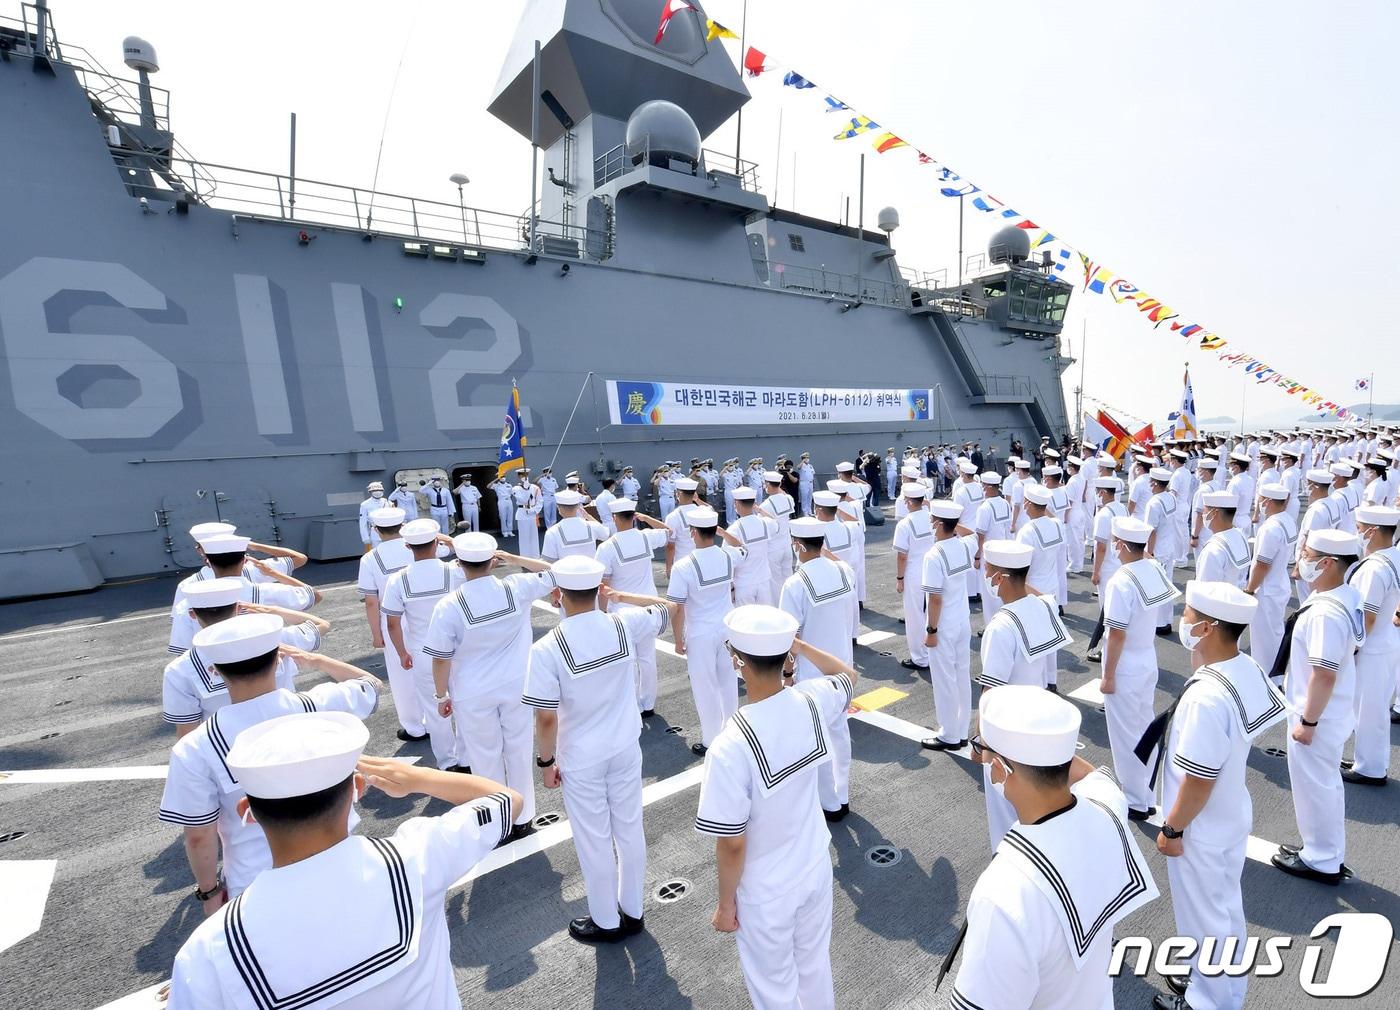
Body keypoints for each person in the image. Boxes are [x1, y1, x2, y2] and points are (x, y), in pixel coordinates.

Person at [166, 711, 521, 1010]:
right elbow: (507, 800)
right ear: (358, 789)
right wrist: (418, 778)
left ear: (248, 813)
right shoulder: (416, 857)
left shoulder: (209, 950)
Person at [950, 687, 1158, 1010]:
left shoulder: (1004, 896)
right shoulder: (1108, 807)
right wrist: (1047, 746)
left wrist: (1037, 745)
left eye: (983, 750)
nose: (982, 759)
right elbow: (1094, 776)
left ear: (1001, 769)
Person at [696, 606, 859, 1010]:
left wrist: (724, 905)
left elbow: (731, 843)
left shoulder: (729, 746)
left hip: (766, 891)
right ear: (787, 656)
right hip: (814, 868)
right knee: (815, 970)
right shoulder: (811, 700)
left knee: (775, 992)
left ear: (737, 662)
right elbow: (848, 676)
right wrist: (799, 646)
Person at [158, 614, 381, 907]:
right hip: (343, 864)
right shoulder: (320, 704)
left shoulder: (194, 748)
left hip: (256, 885)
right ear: (279, 660)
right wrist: (316, 661)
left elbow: (199, 836)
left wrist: (209, 893)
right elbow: (372, 684)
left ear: (214, 670)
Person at [1135, 581, 1287, 1010]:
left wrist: (1172, 827)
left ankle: (1210, 1001)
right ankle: (1220, 984)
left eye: (1187, 615)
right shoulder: (1243, 667)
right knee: (1223, 911)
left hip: (1201, 825)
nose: (1182, 621)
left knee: (1207, 918)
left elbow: (1198, 780)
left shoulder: (1206, 697)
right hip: (1228, 814)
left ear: (1206, 627)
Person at [524, 555, 674, 942]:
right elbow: (665, 609)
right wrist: (618, 597)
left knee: (594, 840)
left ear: (557, 594)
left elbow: (545, 717)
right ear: (597, 590)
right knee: (629, 830)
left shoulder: (547, 648)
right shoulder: (623, 623)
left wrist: (546, 762)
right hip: (624, 746)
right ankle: (634, 910)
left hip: (582, 756)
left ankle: (606, 920)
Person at [424, 533, 555, 837]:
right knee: (519, 750)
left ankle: (498, 823)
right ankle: (524, 816)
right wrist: (514, 559)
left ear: (458, 564)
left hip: (473, 692)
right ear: (493, 560)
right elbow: (552, 572)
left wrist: (440, 694)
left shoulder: (448, 605)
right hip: (516, 686)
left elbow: (440, 659)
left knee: (484, 757)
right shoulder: (516, 587)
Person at [1272, 529, 1365, 885]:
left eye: (1308, 554)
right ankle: (1320, 850)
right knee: (1322, 785)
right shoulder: (1345, 594)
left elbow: (1323, 674)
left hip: (1319, 714)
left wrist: (1308, 721)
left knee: (1317, 787)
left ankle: (1322, 859)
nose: (1302, 558)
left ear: (1327, 563)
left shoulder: (1326, 612)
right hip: (1333, 709)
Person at [977, 541, 1073, 847]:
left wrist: (982, 742)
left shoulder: (1001, 626)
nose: (985, 575)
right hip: (1039, 722)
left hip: (1008, 732)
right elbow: (1034, 594)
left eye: (989, 570)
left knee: (1006, 815)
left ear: (1001, 577)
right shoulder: (1042, 606)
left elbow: (990, 690)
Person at [162, 580, 331, 735]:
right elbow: (321, 624)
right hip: (287, 737)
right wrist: (273, 611)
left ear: (192, 614)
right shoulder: (275, 639)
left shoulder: (179, 670)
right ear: (237, 608)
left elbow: (186, 732)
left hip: (229, 751)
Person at [779, 517, 859, 820]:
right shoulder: (843, 571)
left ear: (798, 544)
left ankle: (829, 803)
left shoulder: (795, 583)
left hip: (812, 674)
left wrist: (787, 674)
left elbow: (790, 637)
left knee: (818, 737)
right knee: (839, 731)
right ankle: (842, 793)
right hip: (843, 668)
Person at [1101, 516, 1180, 820]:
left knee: (1126, 735)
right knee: (1143, 727)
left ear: (1120, 544)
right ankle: (1145, 793)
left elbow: (1116, 632)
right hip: (1147, 658)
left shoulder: (1121, 579)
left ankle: (1134, 799)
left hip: (1125, 665)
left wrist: (1108, 675)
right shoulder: (1153, 568)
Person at [380, 519, 462, 771]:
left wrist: (402, 652)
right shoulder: (455, 571)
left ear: (407, 546)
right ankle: (469, 758)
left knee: (435, 708)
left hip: (423, 652)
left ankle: (448, 762)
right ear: (437, 542)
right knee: (465, 705)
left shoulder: (398, 580)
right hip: (458, 650)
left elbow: (393, 623)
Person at [667, 508, 748, 755]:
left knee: (705, 688)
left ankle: (712, 739)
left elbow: (677, 608)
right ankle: (733, 731)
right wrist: (725, 533)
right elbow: (743, 547)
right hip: (727, 629)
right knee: (728, 681)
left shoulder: (683, 566)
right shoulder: (728, 556)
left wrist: (677, 639)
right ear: (714, 531)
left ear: (692, 532)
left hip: (700, 633)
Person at [169, 533, 318, 657]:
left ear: (203, 553)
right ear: (244, 559)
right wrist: (255, 548)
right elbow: (313, 594)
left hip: (214, 665)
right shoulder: (257, 578)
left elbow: (182, 644)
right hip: (264, 659)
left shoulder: (187, 588)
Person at [595, 500, 672, 717]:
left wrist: (601, 613)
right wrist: (646, 519)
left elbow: (604, 585)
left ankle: (631, 704)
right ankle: (648, 704)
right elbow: (669, 532)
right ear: (633, 515)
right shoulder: (646, 537)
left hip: (622, 613)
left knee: (627, 660)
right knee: (647, 658)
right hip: (649, 609)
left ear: (615, 518)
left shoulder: (607, 547)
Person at [1342, 506, 1400, 785]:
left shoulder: (1374, 567)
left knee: (1368, 710)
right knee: (1371, 709)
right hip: (1387, 642)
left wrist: (1349, 648)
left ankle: (1370, 768)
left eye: (1359, 526)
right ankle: (1366, 759)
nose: (1357, 532)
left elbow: (1366, 617)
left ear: (1372, 531)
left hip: (1373, 647)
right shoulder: (1393, 556)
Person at [919, 500, 978, 751]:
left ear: (939, 524)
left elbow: (935, 598)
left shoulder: (934, 555)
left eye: (933, 520)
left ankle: (949, 735)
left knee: (944, 681)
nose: (930, 524)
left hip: (943, 625)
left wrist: (931, 631)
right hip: (962, 622)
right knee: (961, 676)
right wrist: (953, 524)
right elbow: (972, 534)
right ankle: (961, 730)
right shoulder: (965, 546)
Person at [893, 483, 936, 672]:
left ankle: (919, 657)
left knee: (915, 616)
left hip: (914, 572)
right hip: (933, 568)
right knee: (932, 612)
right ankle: (933, 652)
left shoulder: (905, 523)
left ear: (909, 502)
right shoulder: (932, 517)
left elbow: (902, 555)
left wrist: (899, 578)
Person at [1085, 476, 1128, 663]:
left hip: (1108, 568)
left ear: (1102, 493)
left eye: (1097, 492)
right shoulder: (1122, 507)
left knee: (1107, 612)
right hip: (1121, 563)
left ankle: (1106, 649)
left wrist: (1095, 572)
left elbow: (1100, 547)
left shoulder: (1103, 514)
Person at [1016, 483, 1069, 633]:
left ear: (1027, 503)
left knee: (1035, 634)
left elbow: (1020, 568)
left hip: (1032, 589)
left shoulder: (1027, 531)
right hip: (1052, 586)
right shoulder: (1057, 525)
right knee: (1050, 631)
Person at [971, 472, 1013, 626]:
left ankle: (991, 625)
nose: (982, 489)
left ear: (988, 487)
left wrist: (976, 557)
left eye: (983, 486)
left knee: (989, 593)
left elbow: (980, 536)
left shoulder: (985, 508)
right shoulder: (1004, 503)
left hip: (989, 555)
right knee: (1003, 590)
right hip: (1005, 551)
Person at [1145, 467, 1182, 633]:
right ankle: (1166, 620)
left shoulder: (1154, 502)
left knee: (1156, 588)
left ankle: (1158, 623)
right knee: (1167, 585)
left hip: (1158, 549)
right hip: (1169, 546)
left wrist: (1149, 553)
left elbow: (1151, 531)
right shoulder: (1171, 497)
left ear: (1154, 483)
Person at [729, 487, 780, 606]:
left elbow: (729, 562)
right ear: (753, 503)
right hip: (764, 580)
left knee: (745, 622)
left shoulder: (733, 530)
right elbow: (776, 523)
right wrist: (760, 510)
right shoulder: (764, 522)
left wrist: (731, 589)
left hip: (743, 583)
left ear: (736, 503)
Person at [1194, 489, 1251, 589]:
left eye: (1205, 510)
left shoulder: (1212, 550)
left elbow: (1205, 591)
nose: (1203, 514)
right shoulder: (1240, 535)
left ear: (1214, 513)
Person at [540, 489, 609, 563]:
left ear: (558, 508)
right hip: (591, 572)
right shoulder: (591, 526)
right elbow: (605, 534)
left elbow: (549, 560)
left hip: (566, 573)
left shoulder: (552, 532)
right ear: (577, 507)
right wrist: (589, 517)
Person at [758, 470, 797, 594]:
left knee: (775, 582)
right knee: (788, 578)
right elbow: (784, 494)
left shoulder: (765, 505)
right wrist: (778, 487)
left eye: (765, 484)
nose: (764, 487)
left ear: (768, 485)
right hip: (786, 545)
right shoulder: (788, 499)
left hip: (773, 548)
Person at [664, 476, 704, 577]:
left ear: (679, 494)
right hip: (702, 561)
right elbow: (710, 508)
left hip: (683, 564)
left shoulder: (672, 517)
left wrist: (668, 568)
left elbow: (670, 547)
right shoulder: (703, 511)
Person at [512, 471, 542, 558]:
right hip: (522, 513)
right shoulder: (515, 488)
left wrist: (534, 510)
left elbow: (540, 501)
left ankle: (535, 556)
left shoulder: (535, 488)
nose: (524, 477)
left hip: (532, 514)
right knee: (524, 538)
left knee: (534, 536)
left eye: (526, 475)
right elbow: (523, 500)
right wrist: (526, 488)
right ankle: (525, 557)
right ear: (519, 476)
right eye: (522, 475)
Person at [359, 481, 388, 550]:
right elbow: (363, 523)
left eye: (379, 490)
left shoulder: (386, 501)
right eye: (374, 490)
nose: (377, 492)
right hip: (375, 533)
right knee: (377, 552)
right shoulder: (365, 504)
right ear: (370, 492)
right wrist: (365, 537)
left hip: (388, 532)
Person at [796, 453, 815, 517]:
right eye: (805, 458)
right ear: (803, 459)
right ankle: (805, 512)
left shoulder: (810, 466)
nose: (807, 459)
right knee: (804, 498)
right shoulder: (801, 465)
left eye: (808, 458)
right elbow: (798, 467)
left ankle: (809, 511)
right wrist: (802, 462)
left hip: (810, 483)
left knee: (810, 498)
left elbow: (812, 474)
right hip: (804, 483)